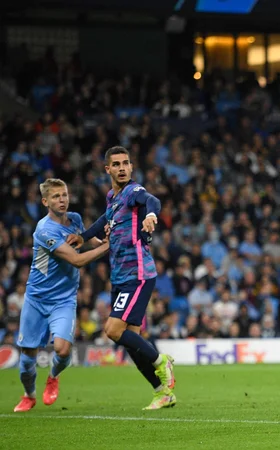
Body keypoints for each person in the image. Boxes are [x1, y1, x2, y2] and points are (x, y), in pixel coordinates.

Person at [71, 146, 176, 410]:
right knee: (129, 339)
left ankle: (160, 360)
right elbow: (102, 221)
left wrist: (151, 215)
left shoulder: (133, 191)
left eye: (125, 163)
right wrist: (83, 237)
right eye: (116, 164)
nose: (121, 168)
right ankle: (161, 392)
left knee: (112, 330)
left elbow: (151, 200)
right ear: (107, 169)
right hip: (120, 277)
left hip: (137, 274)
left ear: (131, 167)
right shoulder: (112, 197)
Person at [14, 179, 110, 412]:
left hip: (64, 299)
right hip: (36, 299)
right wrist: (110, 246)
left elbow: (86, 240)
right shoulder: (44, 230)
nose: (62, 200)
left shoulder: (75, 219)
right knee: (27, 359)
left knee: (63, 349)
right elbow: (77, 260)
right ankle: (29, 395)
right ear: (45, 201)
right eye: (56, 197)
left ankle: (53, 376)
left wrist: (103, 238)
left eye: (64, 195)